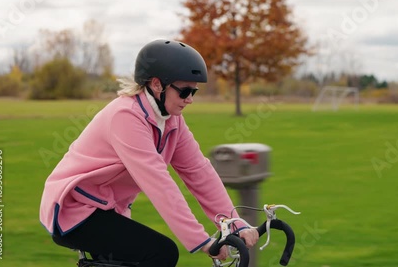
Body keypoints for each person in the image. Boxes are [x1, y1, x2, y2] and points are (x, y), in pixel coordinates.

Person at [39, 39, 259, 267]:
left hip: (104, 209)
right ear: (156, 85)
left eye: (194, 91)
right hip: (73, 210)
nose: (190, 99)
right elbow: (159, 184)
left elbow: (198, 171)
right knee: (161, 253)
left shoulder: (172, 120)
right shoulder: (126, 116)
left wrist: (234, 222)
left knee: (150, 254)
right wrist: (202, 241)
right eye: (184, 91)